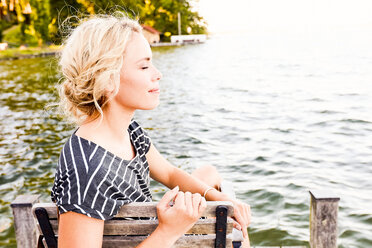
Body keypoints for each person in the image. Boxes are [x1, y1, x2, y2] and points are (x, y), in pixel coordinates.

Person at [50, 13, 251, 248]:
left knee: (208, 173)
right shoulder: (86, 173)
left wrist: (217, 197)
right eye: (144, 66)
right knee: (240, 239)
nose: (158, 74)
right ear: (106, 79)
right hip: (159, 240)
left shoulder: (129, 131)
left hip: (148, 234)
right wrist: (169, 231)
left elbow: (169, 174)